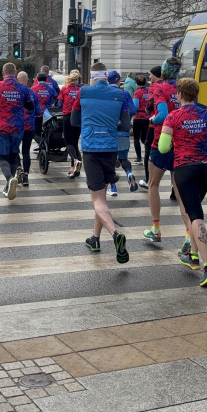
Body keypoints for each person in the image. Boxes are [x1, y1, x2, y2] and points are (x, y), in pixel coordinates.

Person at [159, 77, 207, 287]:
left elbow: (163, 148)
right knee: (193, 211)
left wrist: (174, 144)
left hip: (185, 169)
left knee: (196, 215)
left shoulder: (173, 117)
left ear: (179, 95)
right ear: (196, 95)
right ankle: (191, 255)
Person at [71, 62, 130, 263]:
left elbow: (74, 120)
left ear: (91, 75)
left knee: (97, 200)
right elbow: (126, 125)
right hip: (110, 148)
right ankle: (95, 239)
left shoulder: (83, 92)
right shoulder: (120, 95)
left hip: (91, 148)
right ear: (106, 76)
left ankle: (115, 234)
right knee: (101, 195)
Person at [142, 57, 184, 244]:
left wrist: (152, 120)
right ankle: (189, 236)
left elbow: (163, 115)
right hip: (182, 142)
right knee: (181, 189)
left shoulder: (160, 88)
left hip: (162, 140)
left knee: (153, 184)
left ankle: (156, 229)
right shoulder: (184, 88)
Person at [0, 62, 33, 199]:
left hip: (1, 128)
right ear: (15, 72)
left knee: (3, 158)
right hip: (17, 128)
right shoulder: (23, 88)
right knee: (13, 155)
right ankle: (8, 185)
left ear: (3, 72)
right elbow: (30, 106)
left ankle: (9, 178)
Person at [106, 70, 137, 195]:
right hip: (123, 132)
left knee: (110, 161)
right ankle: (129, 173)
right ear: (118, 81)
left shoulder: (105, 93)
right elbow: (133, 109)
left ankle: (113, 187)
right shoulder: (125, 94)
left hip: (109, 132)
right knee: (123, 158)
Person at [16, 71, 41, 187]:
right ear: (27, 80)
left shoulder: (15, 92)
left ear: (17, 79)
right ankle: (26, 176)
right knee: (26, 151)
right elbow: (38, 112)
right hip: (29, 126)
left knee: (14, 150)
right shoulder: (33, 93)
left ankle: (18, 169)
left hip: (16, 125)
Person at [139, 66, 162, 190]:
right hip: (171, 124)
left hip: (155, 124)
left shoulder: (155, 87)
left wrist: (148, 109)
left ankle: (149, 179)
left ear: (155, 75)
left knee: (149, 150)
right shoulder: (171, 86)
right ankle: (174, 186)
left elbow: (153, 101)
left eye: (151, 74)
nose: (149, 76)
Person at [57, 70, 82, 178]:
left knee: (69, 143)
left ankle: (75, 161)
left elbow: (59, 103)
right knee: (75, 142)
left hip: (67, 117)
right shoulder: (81, 90)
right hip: (78, 117)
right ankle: (74, 167)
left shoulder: (64, 89)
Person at [132, 75, 150, 165]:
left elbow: (135, 105)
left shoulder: (137, 92)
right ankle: (149, 153)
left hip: (138, 117)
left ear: (137, 83)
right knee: (145, 138)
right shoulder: (149, 91)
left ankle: (139, 158)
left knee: (136, 138)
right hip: (147, 117)